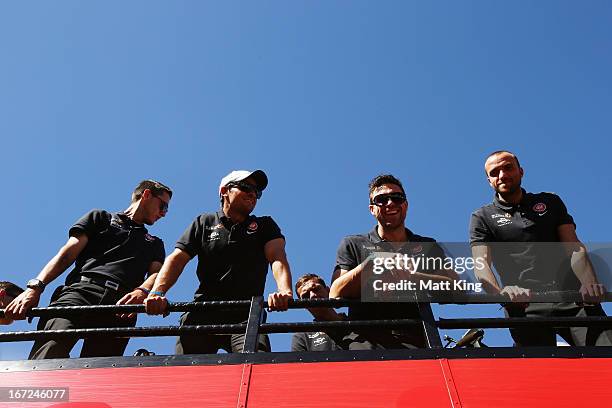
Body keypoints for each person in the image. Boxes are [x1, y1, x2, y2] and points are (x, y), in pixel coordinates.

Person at [4, 180, 172, 359]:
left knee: (99, 373)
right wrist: (34, 288)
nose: (163, 214)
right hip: (80, 292)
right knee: (49, 351)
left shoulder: (154, 243)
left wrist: (143, 291)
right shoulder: (101, 218)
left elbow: (156, 273)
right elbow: (67, 254)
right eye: (163, 206)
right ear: (146, 195)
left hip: (121, 307)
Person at [470, 150, 611, 346]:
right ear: (489, 181)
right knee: (541, 373)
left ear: (521, 171)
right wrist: (502, 294)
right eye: (494, 172)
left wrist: (589, 283)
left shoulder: (550, 201)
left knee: (606, 356)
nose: (502, 175)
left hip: (572, 297)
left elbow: (574, 247)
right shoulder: (482, 216)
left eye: (508, 167)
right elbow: (481, 264)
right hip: (524, 304)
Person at [145, 169, 293, 354]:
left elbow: (277, 257)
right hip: (203, 312)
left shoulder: (265, 225)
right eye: (246, 187)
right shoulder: (204, 222)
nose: (252, 194)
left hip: (246, 315)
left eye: (257, 192)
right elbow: (177, 259)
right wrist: (157, 293)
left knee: (256, 369)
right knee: (186, 374)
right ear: (224, 191)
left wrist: (284, 291)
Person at [329, 174, 456, 349]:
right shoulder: (353, 243)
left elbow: (455, 287)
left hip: (417, 341)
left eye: (397, 198)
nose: (390, 203)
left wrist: (411, 277)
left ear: (406, 205)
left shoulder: (427, 245)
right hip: (364, 343)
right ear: (372, 209)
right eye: (381, 199)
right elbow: (335, 292)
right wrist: (372, 264)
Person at [291, 274, 346, 352]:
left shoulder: (357, 320)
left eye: (316, 289)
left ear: (328, 290)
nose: (312, 295)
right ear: (302, 305)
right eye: (305, 295)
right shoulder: (302, 337)